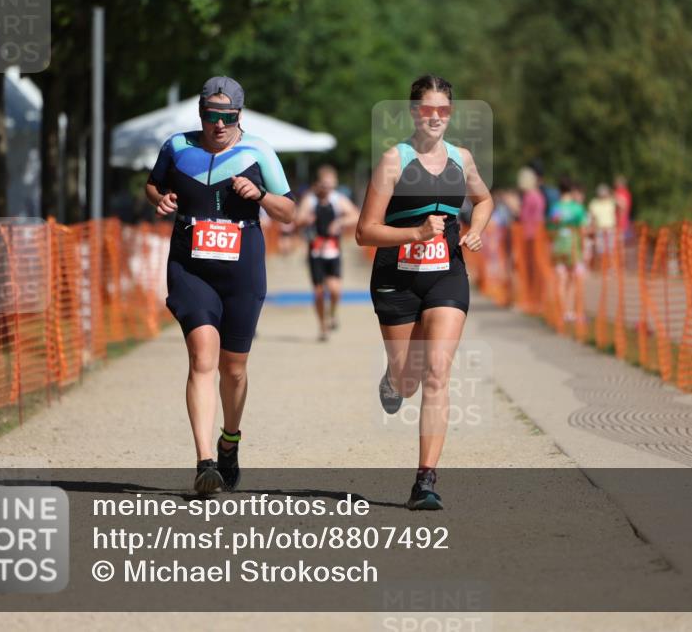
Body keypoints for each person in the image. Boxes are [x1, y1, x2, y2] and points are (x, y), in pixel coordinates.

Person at [145, 76, 296, 494]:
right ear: (201, 114)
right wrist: (159, 198)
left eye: (227, 118)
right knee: (202, 358)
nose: (219, 125)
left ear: (239, 116)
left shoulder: (259, 151)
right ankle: (204, 463)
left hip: (242, 268)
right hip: (190, 266)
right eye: (211, 116)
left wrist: (260, 195)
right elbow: (154, 184)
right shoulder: (177, 147)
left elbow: (288, 211)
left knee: (234, 368)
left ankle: (229, 440)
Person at [356, 74, 493, 510]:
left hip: (446, 273)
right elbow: (364, 231)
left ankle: (425, 480)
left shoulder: (461, 158)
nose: (436, 118)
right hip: (396, 276)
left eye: (444, 110)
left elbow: (484, 200)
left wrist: (476, 229)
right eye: (427, 109)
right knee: (409, 380)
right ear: (414, 112)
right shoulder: (393, 161)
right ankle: (394, 380)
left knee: (437, 372)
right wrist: (415, 232)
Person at [295, 164, 359, 341]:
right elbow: (297, 221)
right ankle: (323, 327)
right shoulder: (310, 200)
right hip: (315, 250)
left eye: (331, 185)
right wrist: (306, 219)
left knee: (335, 290)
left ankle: (332, 313)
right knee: (318, 292)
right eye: (324, 185)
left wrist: (340, 222)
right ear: (317, 184)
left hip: (333, 249)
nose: (327, 189)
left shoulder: (338, 199)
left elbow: (355, 215)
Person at [547, 178, 588, 322]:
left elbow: (550, 230)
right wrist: (583, 248)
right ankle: (570, 311)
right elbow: (582, 230)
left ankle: (563, 312)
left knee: (561, 279)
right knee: (574, 280)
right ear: (571, 190)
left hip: (558, 247)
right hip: (573, 248)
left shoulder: (554, 208)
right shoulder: (577, 208)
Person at [588, 183, 618, 260]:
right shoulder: (594, 203)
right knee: (600, 250)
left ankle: (611, 264)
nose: (603, 194)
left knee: (611, 249)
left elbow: (623, 205)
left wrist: (614, 195)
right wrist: (591, 227)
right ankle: (602, 264)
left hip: (610, 228)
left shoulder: (611, 201)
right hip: (599, 229)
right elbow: (591, 217)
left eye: (605, 192)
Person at [613, 174, 632, 240]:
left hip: (621, 221)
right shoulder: (619, 192)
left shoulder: (623, 193)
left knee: (619, 242)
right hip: (617, 221)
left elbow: (624, 205)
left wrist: (616, 199)